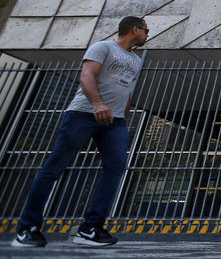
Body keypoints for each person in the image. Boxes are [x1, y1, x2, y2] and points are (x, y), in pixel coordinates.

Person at [12, 16, 149, 248]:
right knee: (54, 168)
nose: (147, 35)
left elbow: (125, 91)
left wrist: (123, 120)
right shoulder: (103, 47)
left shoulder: (136, 60)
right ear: (134, 29)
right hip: (83, 115)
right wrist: (97, 104)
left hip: (114, 123)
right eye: (146, 30)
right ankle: (27, 228)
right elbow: (86, 75)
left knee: (115, 168)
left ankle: (90, 229)